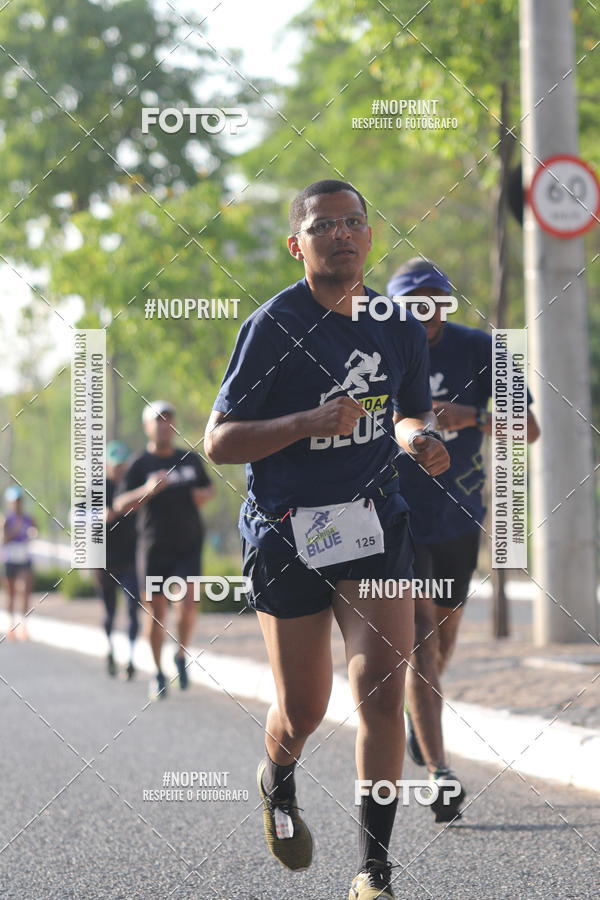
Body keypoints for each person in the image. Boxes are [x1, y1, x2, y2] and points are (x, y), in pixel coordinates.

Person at [205, 180, 450, 900]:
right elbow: (219, 441)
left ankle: (374, 871)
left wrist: (421, 440)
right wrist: (304, 424)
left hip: (374, 524)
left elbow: (410, 413)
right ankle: (278, 777)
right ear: (298, 244)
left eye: (353, 223)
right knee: (305, 709)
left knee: (380, 687)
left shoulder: (398, 324)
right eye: (323, 226)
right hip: (288, 532)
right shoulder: (272, 326)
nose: (340, 234)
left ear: (370, 237)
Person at [387, 257, 541, 823]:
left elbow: (529, 428)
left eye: (435, 300)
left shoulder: (483, 347)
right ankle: (440, 773)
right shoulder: (378, 345)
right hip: (394, 515)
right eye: (413, 302)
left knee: (443, 642)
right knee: (421, 642)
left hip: (457, 515)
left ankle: (416, 716)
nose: (425, 311)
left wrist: (471, 418)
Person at [113, 402, 214, 700]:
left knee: (188, 602)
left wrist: (203, 495)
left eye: (168, 420)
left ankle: (180, 655)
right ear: (147, 427)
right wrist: (146, 489)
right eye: (158, 421)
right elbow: (119, 506)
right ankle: (157, 672)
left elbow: (208, 488)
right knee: (156, 614)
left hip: (188, 546)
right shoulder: (138, 464)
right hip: (154, 549)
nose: (164, 425)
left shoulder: (189, 459)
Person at [94, 440, 140, 679]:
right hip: (105, 560)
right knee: (109, 611)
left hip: (131, 557)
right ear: (107, 465)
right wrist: (104, 516)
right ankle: (111, 649)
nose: (120, 469)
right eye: (116, 464)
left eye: (123, 464)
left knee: (133, 608)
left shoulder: (132, 485)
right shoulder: (97, 488)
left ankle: (131, 658)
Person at [2, 485, 37, 641]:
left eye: (19, 501)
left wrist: (32, 533)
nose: (17, 504)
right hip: (10, 559)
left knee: (24, 590)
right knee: (11, 594)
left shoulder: (28, 518)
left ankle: (24, 626)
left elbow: (34, 532)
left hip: (24, 558)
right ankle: (11, 625)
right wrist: (10, 531)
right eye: (14, 501)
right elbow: (3, 541)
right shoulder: (6, 520)